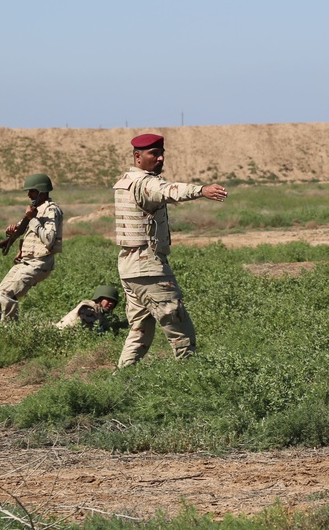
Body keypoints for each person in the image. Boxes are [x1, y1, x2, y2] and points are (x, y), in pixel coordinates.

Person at [113, 133, 228, 368]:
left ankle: (122, 381)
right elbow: (169, 190)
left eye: (161, 153)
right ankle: (191, 378)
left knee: (140, 330)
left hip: (130, 267)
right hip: (149, 268)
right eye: (153, 154)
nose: (160, 158)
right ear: (137, 157)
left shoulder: (125, 181)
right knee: (178, 324)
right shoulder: (145, 183)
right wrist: (201, 190)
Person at [0, 173, 63, 327]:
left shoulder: (51, 211)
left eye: (32, 191)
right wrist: (13, 230)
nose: (28, 195)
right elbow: (23, 228)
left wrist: (32, 219)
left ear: (42, 191)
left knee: (7, 295)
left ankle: (10, 333)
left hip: (40, 263)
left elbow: (49, 239)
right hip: (25, 262)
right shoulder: (35, 209)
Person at [55, 285, 121, 332]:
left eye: (113, 302)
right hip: (60, 334)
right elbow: (90, 330)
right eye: (108, 300)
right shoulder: (89, 307)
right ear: (99, 299)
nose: (111, 303)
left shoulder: (100, 313)